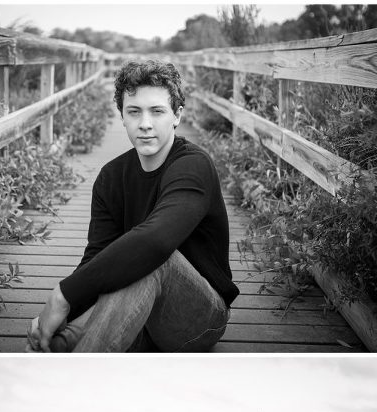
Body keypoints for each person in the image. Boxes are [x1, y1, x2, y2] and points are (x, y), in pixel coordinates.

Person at [26, 59, 239, 352]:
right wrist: (62, 316)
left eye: (157, 111)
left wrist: (63, 296)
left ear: (177, 115)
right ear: (122, 116)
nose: (145, 124)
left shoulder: (194, 166)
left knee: (150, 257)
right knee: (63, 334)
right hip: (135, 307)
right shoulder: (111, 177)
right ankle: (60, 345)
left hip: (201, 318)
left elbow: (156, 241)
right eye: (134, 112)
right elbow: (96, 257)